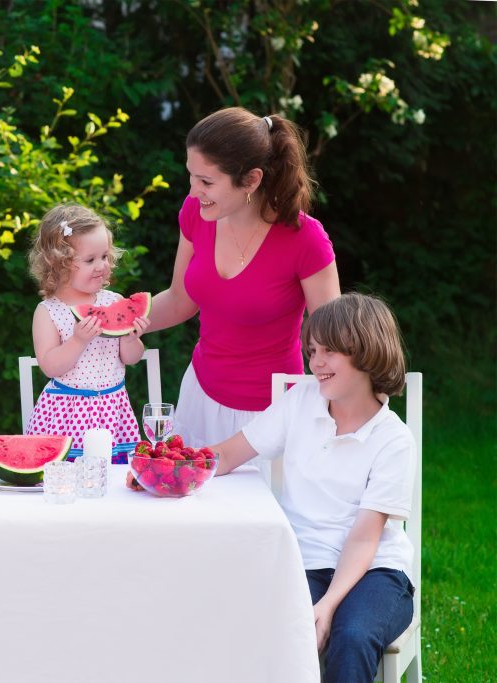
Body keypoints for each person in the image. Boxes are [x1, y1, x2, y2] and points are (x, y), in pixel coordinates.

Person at [211, 293, 415, 682]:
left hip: (376, 573)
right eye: (312, 350)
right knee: (272, 630)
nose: (315, 362)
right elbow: (227, 455)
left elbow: (363, 540)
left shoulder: (393, 440)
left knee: (352, 635)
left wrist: (327, 607)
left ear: (367, 353)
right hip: (304, 563)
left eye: (329, 352)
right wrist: (164, 468)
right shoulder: (301, 401)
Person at [144, 106, 340, 448]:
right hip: (200, 397)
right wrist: (108, 324)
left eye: (206, 182)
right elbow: (179, 301)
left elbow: (334, 342)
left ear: (251, 180)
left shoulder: (306, 240)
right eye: (191, 177)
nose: (192, 192)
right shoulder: (196, 213)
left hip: (273, 412)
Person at [26, 203, 148, 461]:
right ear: (58, 264)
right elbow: (50, 366)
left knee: (114, 482)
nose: (101, 265)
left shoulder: (113, 300)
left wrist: (131, 336)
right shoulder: (48, 311)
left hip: (113, 410)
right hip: (66, 413)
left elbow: (131, 358)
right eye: (90, 260)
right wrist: (77, 341)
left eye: (104, 256)